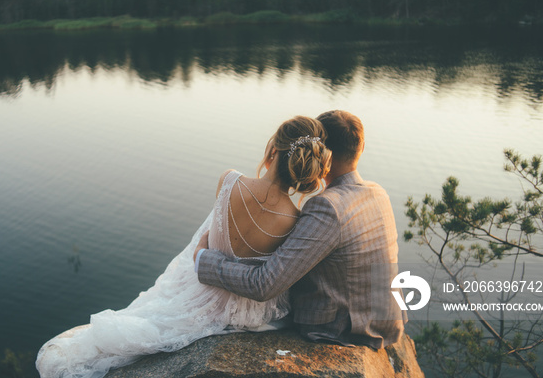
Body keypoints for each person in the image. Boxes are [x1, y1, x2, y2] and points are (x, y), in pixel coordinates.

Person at [36, 116, 332, 378]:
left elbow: (206, 240)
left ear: (272, 150)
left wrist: (202, 253)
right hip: (244, 312)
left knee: (142, 322)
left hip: (204, 287)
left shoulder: (229, 181)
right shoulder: (294, 219)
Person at [195, 110, 406, 349]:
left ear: (323, 153)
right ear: (362, 147)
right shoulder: (378, 192)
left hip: (339, 329)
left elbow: (263, 284)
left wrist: (204, 260)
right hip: (386, 321)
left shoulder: (327, 207)